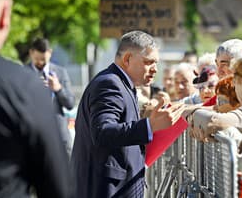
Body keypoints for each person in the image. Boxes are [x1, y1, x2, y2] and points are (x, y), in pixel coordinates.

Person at [71, 30, 184, 198]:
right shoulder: (110, 84)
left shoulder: (120, 83)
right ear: (127, 59)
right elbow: (103, 132)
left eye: (156, 63)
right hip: (107, 189)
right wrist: (150, 126)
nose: (155, 69)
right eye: (148, 62)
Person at [0, 0, 71, 197]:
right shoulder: (23, 86)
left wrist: (59, 90)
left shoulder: (50, 76)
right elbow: (58, 188)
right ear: (4, 15)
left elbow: (70, 103)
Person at [26, 38, 75, 155]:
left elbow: (70, 104)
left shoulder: (60, 72)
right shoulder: (22, 72)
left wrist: (58, 89)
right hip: (33, 136)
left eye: (44, 59)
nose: (40, 63)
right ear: (31, 53)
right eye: (37, 59)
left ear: (50, 53)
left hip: (59, 137)